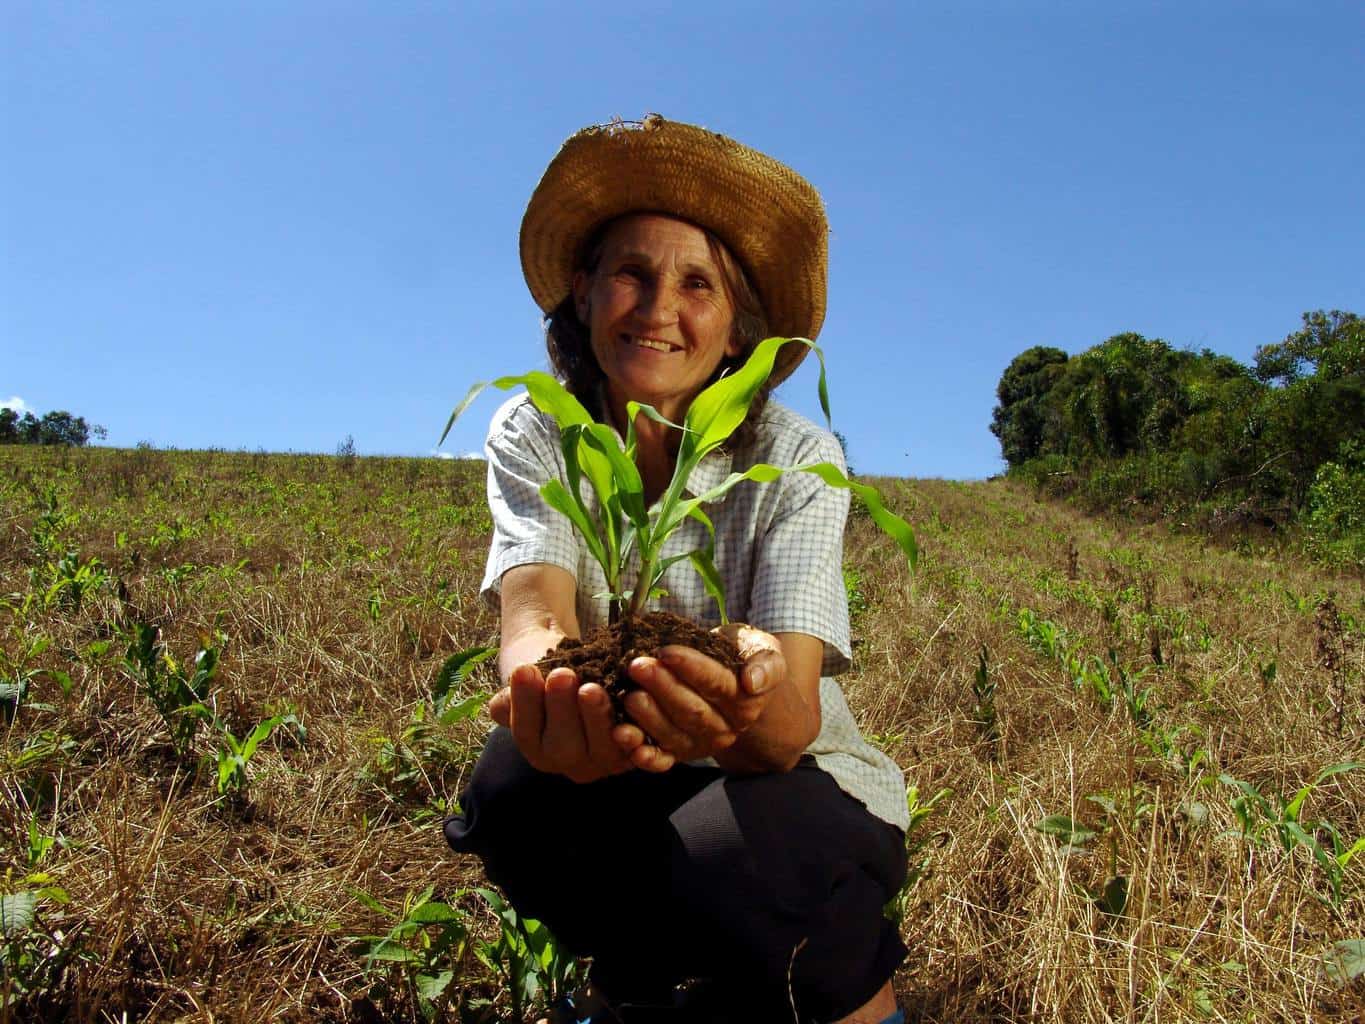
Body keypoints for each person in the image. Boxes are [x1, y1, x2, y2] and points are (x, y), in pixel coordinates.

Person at [444, 115, 910, 1024]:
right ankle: (636, 985)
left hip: (793, 776)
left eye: (698, 283)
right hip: (619, 751)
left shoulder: (799, 456)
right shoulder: (538, 430)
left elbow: (786, 723)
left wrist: (734, 688)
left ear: (736, 331)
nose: (659, 307)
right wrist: (546, 691)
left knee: (735, 858)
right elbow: (536, 610)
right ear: (581, 294)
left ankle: (861, 1005)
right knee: (510, 793)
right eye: (630, 272)